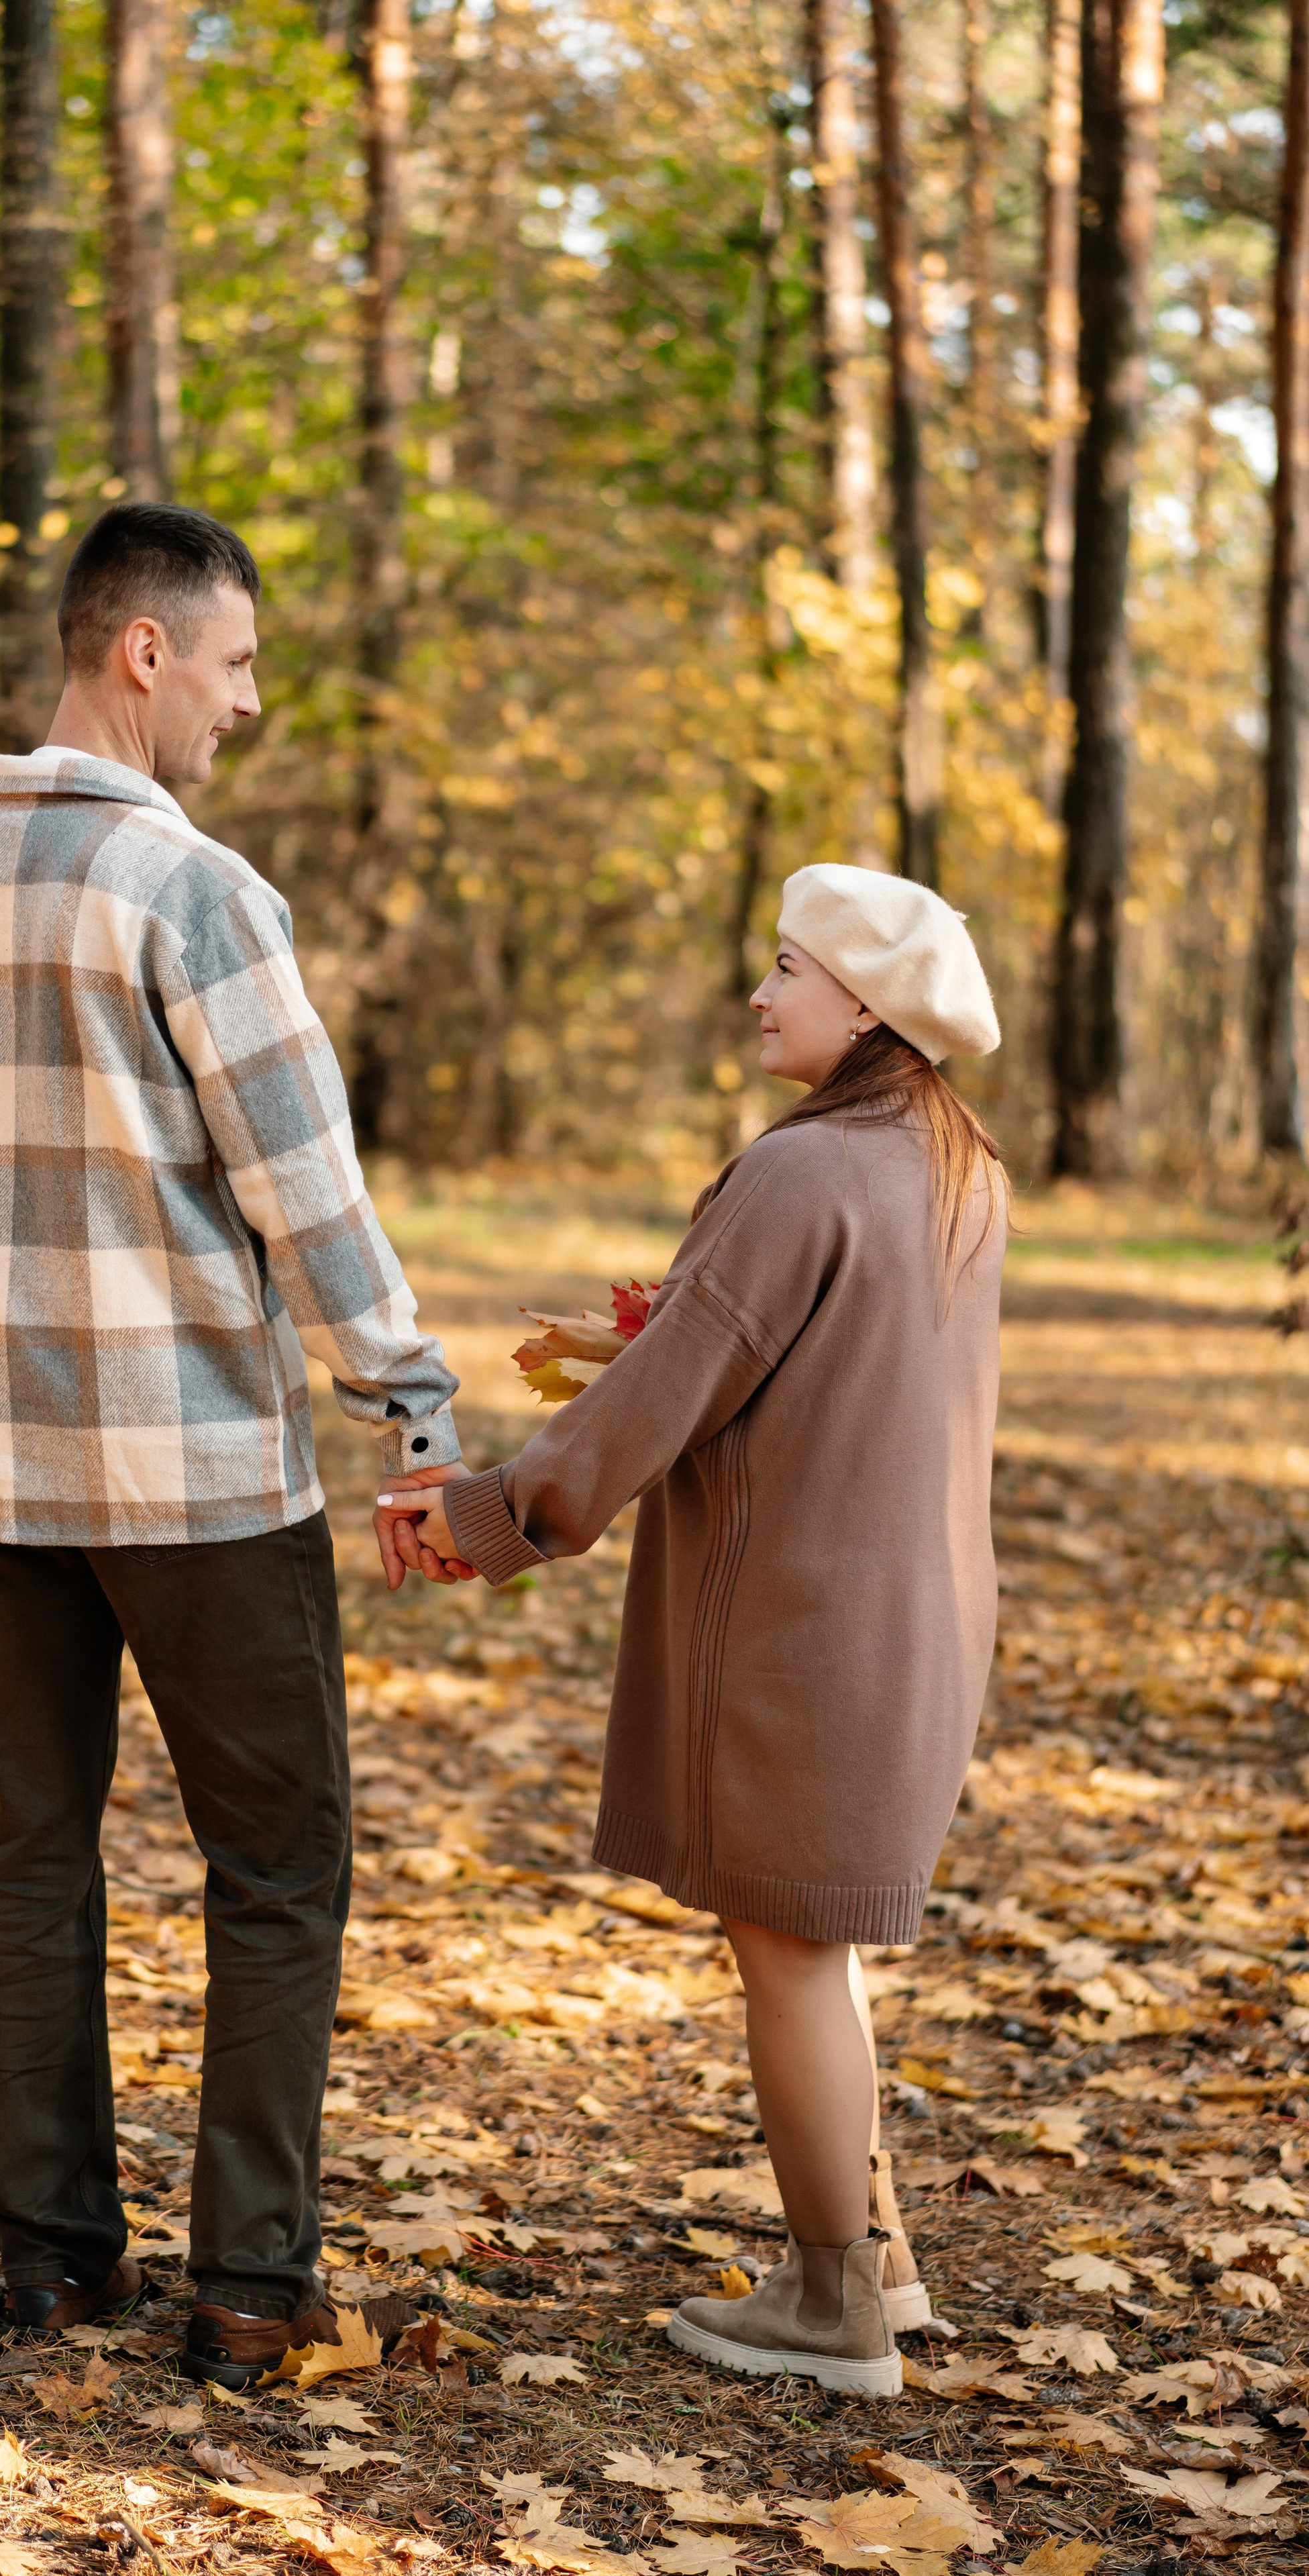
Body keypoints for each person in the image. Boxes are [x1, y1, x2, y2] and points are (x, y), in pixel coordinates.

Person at [0, 502, 470, 2385]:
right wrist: (409, 1385)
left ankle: (48, 2258)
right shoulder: (192, 889)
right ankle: (252, 2281)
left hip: (0, 1473)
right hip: (197, 1474)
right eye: (235, 660)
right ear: (142, 651)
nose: (246, 700)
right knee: (279, 1861)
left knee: (29, 1854)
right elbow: (304, 1178)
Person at [376, 865, 1005, 2397]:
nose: (759, 992)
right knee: (814, 1941)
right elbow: (813, 1357)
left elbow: (660, 1412)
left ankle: (830, 2307)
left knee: (783, 1955)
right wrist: (672, 1323)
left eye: (784, 967)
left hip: (799, 1629)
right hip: (910, 1619)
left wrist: (485, 1516)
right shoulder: (950, 1167)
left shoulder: (799, 1174)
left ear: (860, 1003)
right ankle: (883, 2265)